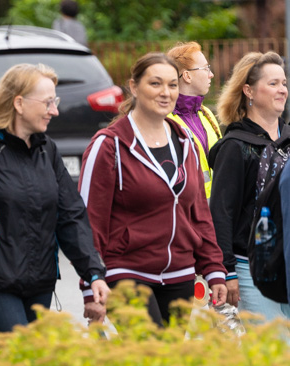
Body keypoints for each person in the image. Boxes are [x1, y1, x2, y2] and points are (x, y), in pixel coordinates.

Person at [0, 63, 109, 336]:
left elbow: (70, 215)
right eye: (48, 102)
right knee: (19, 356)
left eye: (56, 101)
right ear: (19, 103)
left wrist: (93, 273)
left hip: (40, 281)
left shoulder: (46, 149)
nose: (54, 110)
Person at [79, 52, 227, 327]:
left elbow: (199, 214)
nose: (165, 93)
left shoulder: (185, 143)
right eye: (155, 84)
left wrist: (214, 269)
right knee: (151, 354)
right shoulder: (109, 145)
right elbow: (89, 220)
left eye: (172, 85)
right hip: (126, 272)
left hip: (179, 274)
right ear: (134, 87)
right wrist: (91, 281)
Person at [208, 51, 290, 320]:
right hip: (250, 268)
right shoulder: (235, 146)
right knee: (273, 352)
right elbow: (221, 213)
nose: (282, 90)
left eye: (284, 83)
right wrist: (226, 271)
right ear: (248, 90)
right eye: (273, 83)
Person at [166, 42, 221, 200]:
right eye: (205, 68)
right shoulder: (165, 120)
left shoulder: (206, 114)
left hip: (215, 209)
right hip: (185, 212)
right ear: (187, 76)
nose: (211, 74)